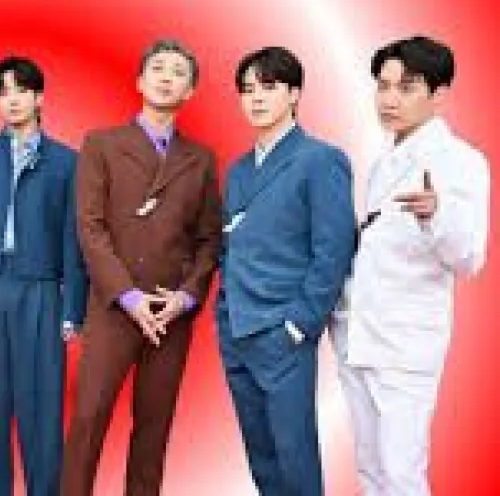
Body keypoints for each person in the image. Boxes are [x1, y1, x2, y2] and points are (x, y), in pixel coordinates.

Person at [62, 39, 222, 496]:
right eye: (158, 68)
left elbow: (209, 239)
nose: (166, 77)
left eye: (178, 72)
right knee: (88, 419)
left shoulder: (200, 159)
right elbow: (90, 227)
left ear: (190, 90)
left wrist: (186, 296)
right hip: (115, 305)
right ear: (139, 81)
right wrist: (128, 296)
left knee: (154, 426)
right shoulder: (102, 144)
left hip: (170, 311)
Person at [331, 36, 490, 496]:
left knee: (401, 473)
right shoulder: (384, 160)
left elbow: (469, 257)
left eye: (407, 88)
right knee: (370, 469)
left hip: (405, 345)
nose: (390, 99)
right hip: (358, 334)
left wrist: (437, 213)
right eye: (383, 87)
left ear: (439, 95)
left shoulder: (461, 161)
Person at [217, 46, 355, 496]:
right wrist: (224, 314)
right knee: (261, 455)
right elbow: (229, 244)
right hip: (237, 328)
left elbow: (334, 248)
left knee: (294, 452)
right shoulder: (238, 171)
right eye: (247, 90)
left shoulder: (320, 159)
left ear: (294, 93)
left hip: (282, 328)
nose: (256, 98)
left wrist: (300, 323)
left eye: (269, 86)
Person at [0, 56, 86, 496]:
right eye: (2, 92)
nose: (12, 100)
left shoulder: (67, 162)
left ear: (39, 97)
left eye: (21, 90)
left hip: (42, 289)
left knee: (42, 402)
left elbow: (74, 236)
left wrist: (73, 309)